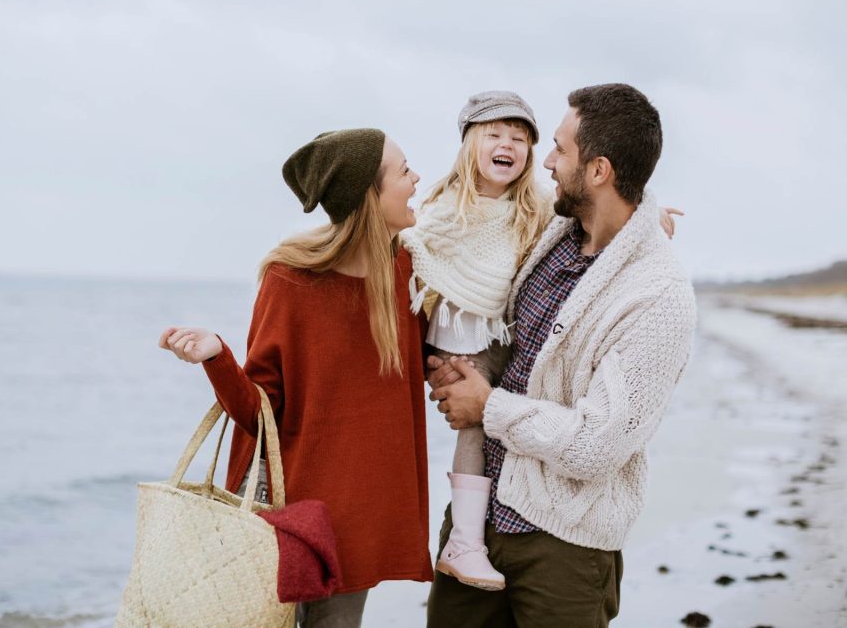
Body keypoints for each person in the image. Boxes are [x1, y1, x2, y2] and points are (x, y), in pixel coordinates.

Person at [426, 83, 697, 627]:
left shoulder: (658, 296)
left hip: (563, 548)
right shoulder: (554, 231)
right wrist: (451, 365)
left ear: (598, 170)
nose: (544, 161)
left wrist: (488, 407)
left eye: (559, 149)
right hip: (478, 524)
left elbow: (601, 444)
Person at [159, 128, 432, 628]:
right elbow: (256, 410)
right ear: (369, 196)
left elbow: (442, 352)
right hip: (285, 517)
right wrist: (217, 357)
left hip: (357, 522)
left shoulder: (410, 272)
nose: (416, 179)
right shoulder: (290, 280)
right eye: (403, 170)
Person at [400, 91, 552, 592]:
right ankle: (464, 542)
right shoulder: (446, 206)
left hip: (501, 332)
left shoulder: (534, 208)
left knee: (515, 411)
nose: (507, 145)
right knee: (478, 422)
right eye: (494, 134)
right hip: (458, 338)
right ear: (470, 143)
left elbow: (587, 221)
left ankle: (513, 514)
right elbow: (415, 255)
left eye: (519, 138)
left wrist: (645, 217)